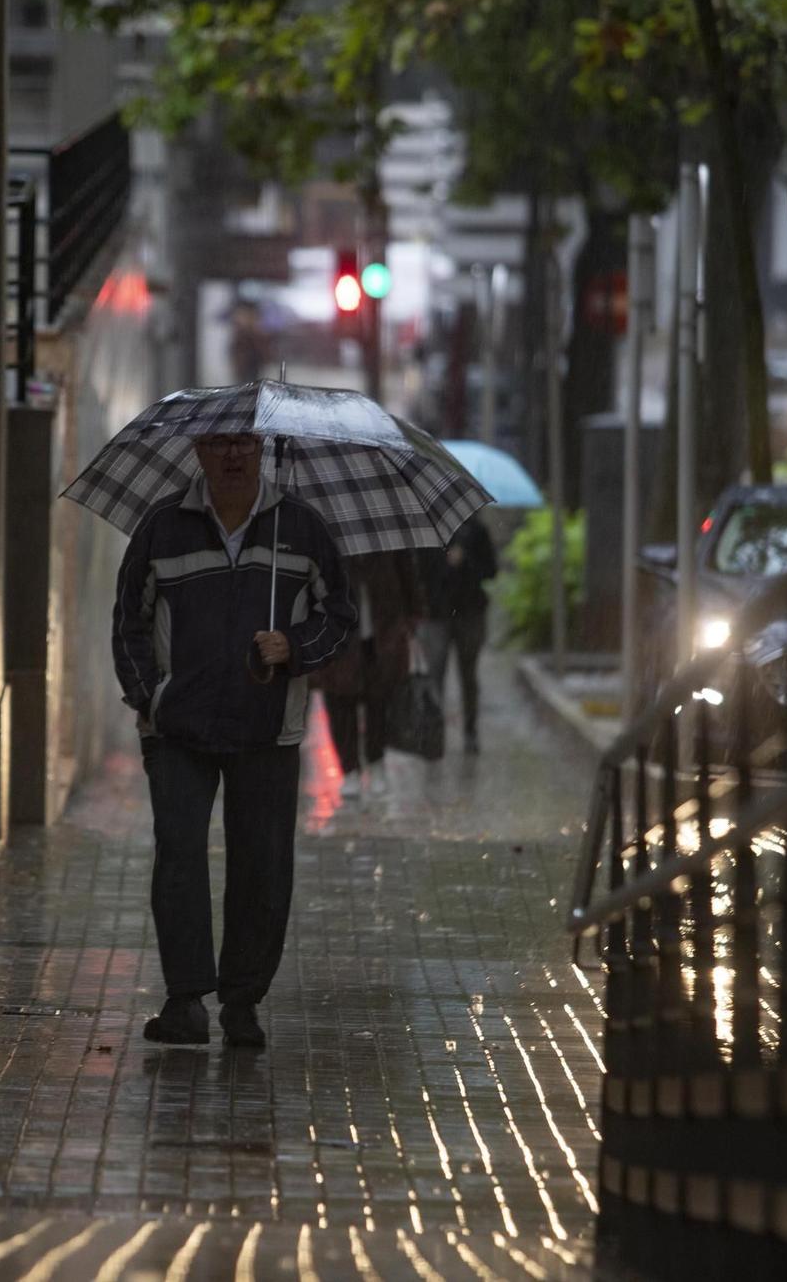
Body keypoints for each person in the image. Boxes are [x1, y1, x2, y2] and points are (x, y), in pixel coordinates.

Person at [112, 432, 356, 1047]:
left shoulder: (300, 529)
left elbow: (340, 617)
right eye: (219, 443)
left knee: (263, 867)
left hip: (267, 730)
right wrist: (152, 698)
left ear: (262, 451)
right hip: (178, 730)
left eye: (244, 444)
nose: (232, 456)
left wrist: (294, 647)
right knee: (179, 856)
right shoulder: (163, 528)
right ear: (198, 450)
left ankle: (243, 1001)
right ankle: (185, 1000)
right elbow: (128, 622)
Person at [313, 552, 425, 797]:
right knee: (340, 703)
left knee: (379, 703)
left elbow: (408, 576)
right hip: (338, 638)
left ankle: (376, 762)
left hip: (382, 635)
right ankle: (350, 768)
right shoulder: (327, 536)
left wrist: (412, 618)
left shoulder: (388, 536)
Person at [419, 513, 498, 753]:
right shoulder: (428, 531)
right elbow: (420, 571)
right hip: (436, 614)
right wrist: (444, 563)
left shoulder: (476, 530)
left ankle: (470, 732)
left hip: (469, 612)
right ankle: (433, 734)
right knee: (434, 674)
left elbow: (491, 570)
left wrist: (466, 561)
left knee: (468, 675)